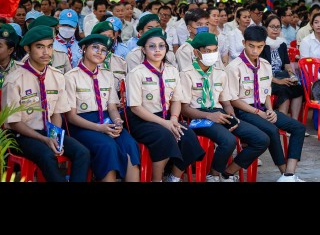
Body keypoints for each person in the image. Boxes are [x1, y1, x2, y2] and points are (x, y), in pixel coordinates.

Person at [1, 26, 91, 182]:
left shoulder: (56, 76)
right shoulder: (14, 80)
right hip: (21, 135)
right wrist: (44, 140)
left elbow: (57, 113)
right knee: (47, 155)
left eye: (50, 46)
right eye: (39, 47)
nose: (46, 52)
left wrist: (54, 137)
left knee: (82, 152)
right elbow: (14, 122)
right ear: (27, 48)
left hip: (47, 132)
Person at [180, 32, 269, 182]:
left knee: (261, 139)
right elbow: (184, 109)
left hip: (219, 113)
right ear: (196, 52)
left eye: (215, 50)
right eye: (208, 51)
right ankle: (213, 175)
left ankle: (227, 173)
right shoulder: (186, 74)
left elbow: (226, 102)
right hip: (197, 117)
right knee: (229, 140)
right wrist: (209, 116)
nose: (212, 54)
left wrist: (232, 117)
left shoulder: (220, 73)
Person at [226, 25, 306, 182]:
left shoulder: (265, 65)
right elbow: (233, 99)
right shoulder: (234, 67)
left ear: (264, 45)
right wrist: (259, 113)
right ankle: (285, 175)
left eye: (260, 47)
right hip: (243, 111)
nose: (255, 51)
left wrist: (269, 110)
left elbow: (266, 92)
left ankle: (290, 172)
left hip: (263, 109)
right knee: (272, 130)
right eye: (251, 46)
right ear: (244, 43)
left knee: (299, 128)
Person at [126, 27, 205, 182]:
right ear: (144, 49)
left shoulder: (172, 71)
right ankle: (157, 179)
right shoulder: (136, 73)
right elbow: (135, 107)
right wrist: (166, 123)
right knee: (165, 136)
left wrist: (174, 119)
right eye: (152, 46)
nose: (157, 50)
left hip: (167, 117)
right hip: (143, 120)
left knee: (187, 135)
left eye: (161, 46)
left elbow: (176, 100)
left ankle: (174, 177)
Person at [64, 33, 140, 182]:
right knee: (107, 146)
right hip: (82, 125)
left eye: (104, 50)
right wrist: (99, 128)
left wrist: (118, 122)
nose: (100, 52)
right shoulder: (71, 77)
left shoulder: (107, 75)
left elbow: (111, 107)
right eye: (95, 47)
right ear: (84, 49)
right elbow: (71, 117)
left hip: (106, 121)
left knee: (130, 144)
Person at [261, 15, 305, 131]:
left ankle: (294, 123)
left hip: (281, 76)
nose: (275, 29)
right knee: (284, 88)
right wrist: (278, 81)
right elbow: (261, 70)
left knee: (298, 89)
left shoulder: (282, 44)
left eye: (278, 27)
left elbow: (286, 64)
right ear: (266, 28)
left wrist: (291, 75)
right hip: (267, 79)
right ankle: (283, 124)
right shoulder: (262, 44)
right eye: (272, 27)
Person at [91, 20, 127, 94]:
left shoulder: (121, 62)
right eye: (104, 36)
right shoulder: (87, 61)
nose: (107, 40)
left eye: (110, 37)